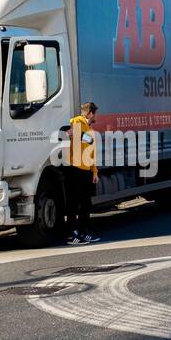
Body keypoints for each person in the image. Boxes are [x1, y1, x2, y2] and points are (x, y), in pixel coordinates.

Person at [66, 102, 100, 245]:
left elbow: (91, 153)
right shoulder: (77, 121)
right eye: (95, 113)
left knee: (86, 204)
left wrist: (94, 172)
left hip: (86, 171)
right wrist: (82, 136)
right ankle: (71, 235)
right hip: (76, 169)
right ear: (90, 113)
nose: (96, 116)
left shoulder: (90, 129)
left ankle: (84, 233)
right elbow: (74, 130)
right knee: (74, 204)